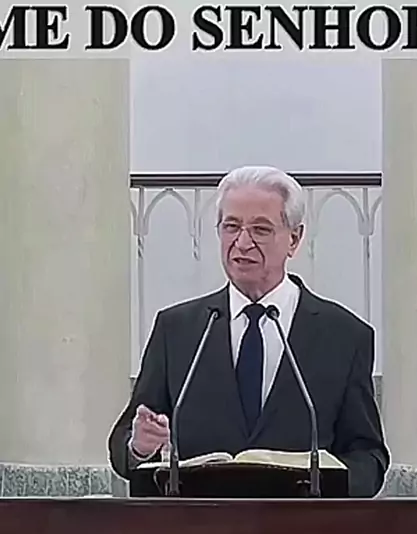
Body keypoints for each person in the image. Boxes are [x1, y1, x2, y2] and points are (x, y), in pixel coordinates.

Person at [108, 165, 389, 497]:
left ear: (294, 239)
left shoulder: (344, 336)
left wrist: (323, 487)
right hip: (199, 524)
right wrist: (140, 447)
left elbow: (368, 458)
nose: (242, 242)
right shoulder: (177, 330)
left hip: (302, 523)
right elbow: (125, 445)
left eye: (260, 229)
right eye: (231, 227)